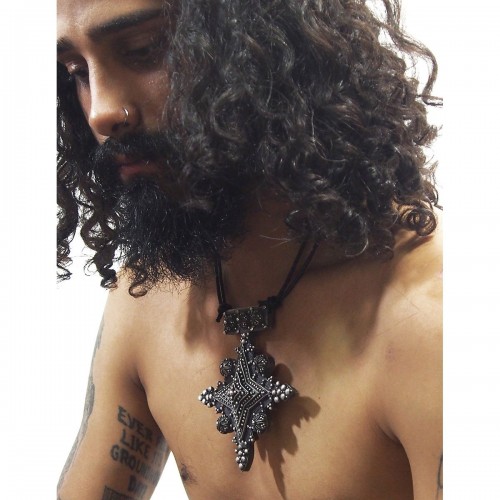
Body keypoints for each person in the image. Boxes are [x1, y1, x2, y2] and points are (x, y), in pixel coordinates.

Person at [56, 0, 442, 498]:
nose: (102, 110)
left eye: (145, 49)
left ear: (266, 39)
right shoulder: (148, 300)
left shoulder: (429, 322)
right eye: (75, 71)